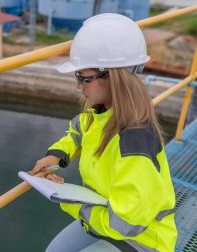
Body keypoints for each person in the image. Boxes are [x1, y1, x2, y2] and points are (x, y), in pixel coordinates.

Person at [31, 13, 177, 252]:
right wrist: (57, 155)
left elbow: (124, 223)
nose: (78, 85)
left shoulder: (134, 141)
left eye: (83, 77)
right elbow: (78, 130)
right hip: (105, 215)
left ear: (113, 77)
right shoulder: (99, 114)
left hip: (141, 239)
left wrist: (64, 199)